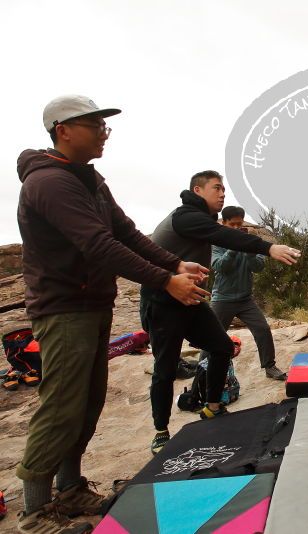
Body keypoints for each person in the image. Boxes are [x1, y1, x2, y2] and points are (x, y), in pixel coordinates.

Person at [16, 95, 207, 533]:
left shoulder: (89, 178)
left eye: (105, 125)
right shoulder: (49, 182)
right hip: (63, 308)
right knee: (62, 404)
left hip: (92, 303)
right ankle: (35, 513)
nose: (104, 131)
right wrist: (163, 281)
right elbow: (98, 245)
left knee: (87, 402)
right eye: (95, 124)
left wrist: (174, 263)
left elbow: (124, 232)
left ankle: (71, 488)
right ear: (63, 129)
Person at [141, 170, 300, 455]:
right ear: (198, 190)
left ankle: (213, 407)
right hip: (162, 302)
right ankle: (161, 432)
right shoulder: (186, 216)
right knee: (165, 369)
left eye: (224, 189)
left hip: (191, 299)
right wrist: (269, 247)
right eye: (217, 188)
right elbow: (225, 237)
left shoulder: (200, 220)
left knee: (222, 346)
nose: (222, 193)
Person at [198, 206, 286, 380]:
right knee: (212, 337)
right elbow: (219, 267)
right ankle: (202, 370)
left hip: (245, 300)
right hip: (222, 299)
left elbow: (259, 267)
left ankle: (269, 366)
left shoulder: (250, 241)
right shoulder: (217, 242)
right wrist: (233, 247)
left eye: (240, 224)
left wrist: (250, 253)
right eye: (233, 225)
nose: (237, 228)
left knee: (262, 329)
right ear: (223, 223)